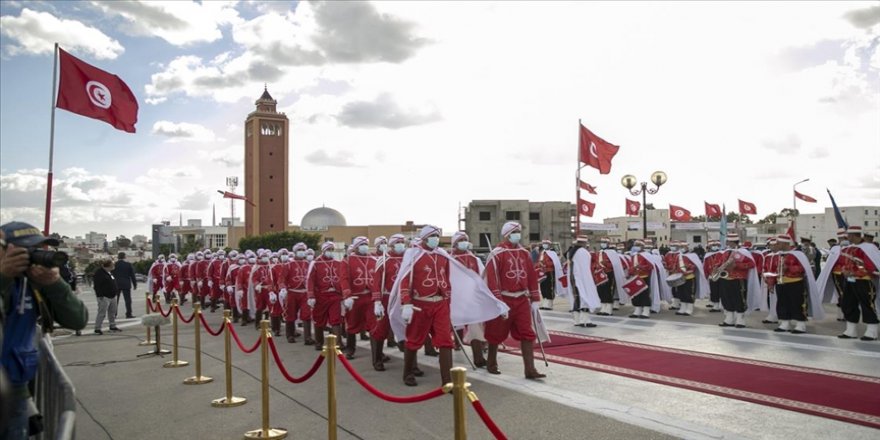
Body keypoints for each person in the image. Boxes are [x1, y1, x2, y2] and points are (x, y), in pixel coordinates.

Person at [1, 223, 88, 440]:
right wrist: (3, 277)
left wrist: (55, 284)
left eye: (41, 250)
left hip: (17, 392)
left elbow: (77, 319)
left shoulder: (33, 283)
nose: (38, 257)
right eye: (29, 251)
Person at [484, 222, 546, 379]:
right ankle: (491, 363)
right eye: (514, 232)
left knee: (527, 333)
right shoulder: (497, 254)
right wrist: (498, 302)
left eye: (519, 231)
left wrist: (535, 298)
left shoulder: (524, 253)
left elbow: (531, 276)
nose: (518, 234)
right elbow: (492, 280)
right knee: (496, 333)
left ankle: (530, 369)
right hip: (503, 299)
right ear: (507, 234)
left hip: (522, 299)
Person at [766, 235, 824, 334]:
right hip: (780, 282)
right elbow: (772, 270)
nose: (776, 245)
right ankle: (785, 323)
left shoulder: (798, 255)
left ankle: (800, 324)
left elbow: (803, 269)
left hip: (795, 282)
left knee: (797, 303)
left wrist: (789, 268)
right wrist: (771, 283)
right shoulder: (777, 256)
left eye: (778, 243)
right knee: (782, 303)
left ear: (785, 243)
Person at [834, 226, 879, 340]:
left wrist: (855, 272)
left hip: (864, 280)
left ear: (854, 235)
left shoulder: (869, 248)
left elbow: (871, 266)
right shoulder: (847, 248)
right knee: (848, 303)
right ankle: (851, 330)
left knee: (867, 304)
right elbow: (842, 262)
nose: (847, 237)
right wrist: (844, 270)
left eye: (848, 235)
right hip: (849, 280)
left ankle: (872, 331)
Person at [307, 242, 351, 351]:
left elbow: (343, 279)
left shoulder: (338, 263)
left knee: (336, 319)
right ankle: (319, 342)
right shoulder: (315, 263)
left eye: (332, 249)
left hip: (335, 295)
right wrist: (311, 295)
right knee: (319, 319)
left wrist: (345, 295)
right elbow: (310, 280)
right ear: (323, 250)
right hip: (320, 295)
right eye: (329, 249)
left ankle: (338, 343)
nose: (331, 251)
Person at [370, 234, 405, 370]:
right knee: (381, 329)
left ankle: (411, 364)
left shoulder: (408, 259)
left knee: (408, 330)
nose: (401, 244)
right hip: (387, 298)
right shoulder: (383, 260)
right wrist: (377, 301)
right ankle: (377, 359)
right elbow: (377, 282)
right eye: (398, 242)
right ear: (392, 245)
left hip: (404, 298)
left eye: (402, 242)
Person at [715, 234, 761, 328]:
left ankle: (740, 320)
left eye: (728, 241)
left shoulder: (743, 252)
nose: (727, 243)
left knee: (739, 299)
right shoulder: (726, 252)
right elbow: (720, 262)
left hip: (738, 279)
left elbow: (751, 264)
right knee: (726, 298)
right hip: (725, 278)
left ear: (732, 242)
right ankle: (729, 319)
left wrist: (737, 265)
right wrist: (717, 267)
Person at [343, 236, 375, 359]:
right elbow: (344, 279)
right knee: (352, 324)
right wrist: (347, 295)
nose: (364, 247)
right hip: (355, 298)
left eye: (366, 244)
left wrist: (378, 298)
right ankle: (350, 349)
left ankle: (376, 354)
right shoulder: (347, 260)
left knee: (374, 325)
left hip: (370, 297)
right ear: (356, 247)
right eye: (362, 244)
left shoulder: (373, 260)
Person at [284, 243, 314, 345]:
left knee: (307, 315)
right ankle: (290, 335)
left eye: (303, 249)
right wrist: (282, 289)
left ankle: (308, 337)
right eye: (299, 250)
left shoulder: (308, 264)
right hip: (292, 292)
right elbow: (282, 279)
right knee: (291, 314)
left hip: (305, 293)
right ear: (295, 252)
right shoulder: (289, 264)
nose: (302, 251)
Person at [93, 258, 121, 334]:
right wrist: (100, 295)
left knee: (112, 312)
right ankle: (97, 328)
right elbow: (97, 286)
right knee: (102, 312)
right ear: (108, 266)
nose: (114, 266)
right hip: (104, 296)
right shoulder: (99, 273)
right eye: (112, 265)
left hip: (113, 295)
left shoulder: (109, 273)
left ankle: (112, 326)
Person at [113, 252, 137, 318]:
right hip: (126, 284)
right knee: (128, 300)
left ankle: (114, 313)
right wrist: (135, 284)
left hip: (116, 284)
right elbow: (132, 275)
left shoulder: (114, 265)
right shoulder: (128, 265)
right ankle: (128, 313)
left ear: (118, 257)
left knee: (115, 300)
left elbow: (111, 275)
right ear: (124, 257)